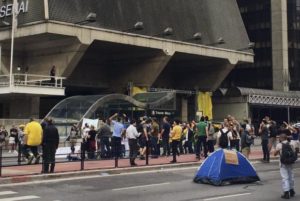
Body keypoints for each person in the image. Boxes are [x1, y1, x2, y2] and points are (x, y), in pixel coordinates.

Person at [274, 133, 299, 199]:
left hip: (283, 163)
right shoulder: (292, 143)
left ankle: (286, 192)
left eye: (279, 138)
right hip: (291, 162)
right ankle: (292, 190)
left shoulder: (279, 145)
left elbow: (275, 154)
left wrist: (279, 151)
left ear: (281, 138)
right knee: (291, 176)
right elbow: (297, 150)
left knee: (285, 177)